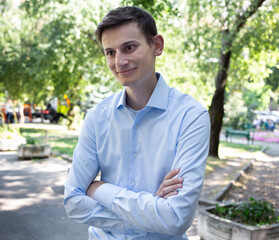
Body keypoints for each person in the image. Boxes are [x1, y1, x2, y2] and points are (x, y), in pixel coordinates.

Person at [64, 6, 210, 240]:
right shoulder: (96, 117)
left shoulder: (191, 117)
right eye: (110, 52)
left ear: (157, 45)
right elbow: (73, 200)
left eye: (129, 47)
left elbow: (176, 218)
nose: (119, 61)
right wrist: (151, 213)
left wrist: (99, 189)